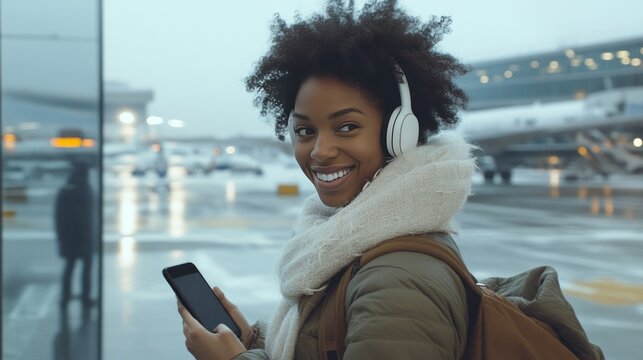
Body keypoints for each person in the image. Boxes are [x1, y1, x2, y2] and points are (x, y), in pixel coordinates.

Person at [178, 0, 473, 358]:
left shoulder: (397, 279)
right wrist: (252, 341)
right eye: (305, 130)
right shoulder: (351, 241)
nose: (319, 150)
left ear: (401, 133)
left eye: (347, 127)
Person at [55, 161, 95, 315]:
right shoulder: (86, 190)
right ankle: (85, 298)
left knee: (69, 268)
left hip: (69, 239)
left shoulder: (65, 190)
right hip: (85, 238)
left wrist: (61, 238)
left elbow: (58, 217)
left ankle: (65, 298)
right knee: (86, 270)